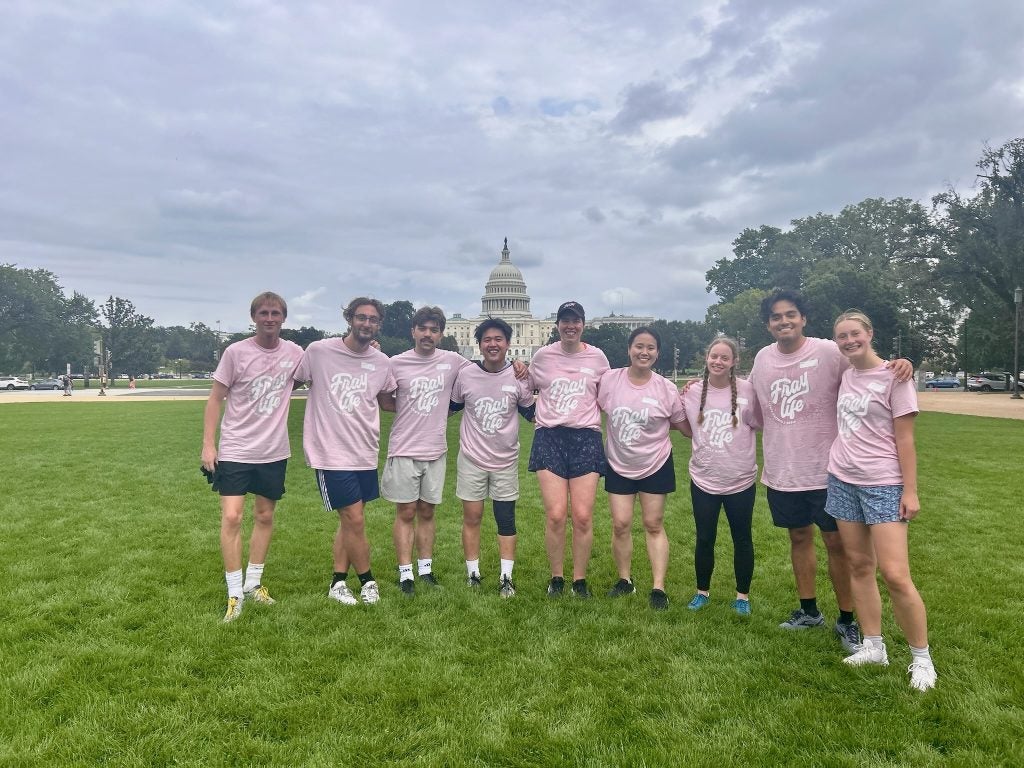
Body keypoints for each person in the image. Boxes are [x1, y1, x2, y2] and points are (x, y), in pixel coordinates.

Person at [748, 288, 912, 651]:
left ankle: (848, 619)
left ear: (803, 318)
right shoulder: (762, 359)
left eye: (790, 314)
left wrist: (898, 364)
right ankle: (808, 611)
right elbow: (755, 407)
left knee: (838, 544)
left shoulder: (828, 351)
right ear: (768, 325)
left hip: (831, 470)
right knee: (798, 538)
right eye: (776, 317)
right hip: (782, 468)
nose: (784, 321)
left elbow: (866, 365)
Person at [827, 310, 936, 691]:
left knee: (895, 574)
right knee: (858, 564)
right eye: (842, 336)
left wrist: (910, 490)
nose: (848, 340)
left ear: (869, 333)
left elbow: (905, 439)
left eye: (854, 333)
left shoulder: (896, 376)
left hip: (884, 483)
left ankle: (921, 658)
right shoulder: (844, 374)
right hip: (842, 478)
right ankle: (873, 645)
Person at [201, 292, 304, 622]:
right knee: (231, 517)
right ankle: (234, 592)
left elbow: (320, 371)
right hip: (236, 449)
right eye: (263, 312)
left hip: (273, 451)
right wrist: (208, 445)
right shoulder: (236, 352)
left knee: (264, 516)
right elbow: (216, 399)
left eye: (275, 313)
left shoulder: (295, 354)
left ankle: (253, 584)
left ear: (283, 318)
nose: (269, 318)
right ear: (254, 317)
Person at [295, 297, 395, 606]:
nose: (367, 323)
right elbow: (290, 382)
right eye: (361, 317)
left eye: (373, 319)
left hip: (364, 450)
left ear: (379, 324)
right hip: (330, 451)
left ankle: (338, 583)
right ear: (349, 319)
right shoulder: (319, 352)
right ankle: (368, 581)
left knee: (350, 520)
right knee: (354, 518)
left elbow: (388, 402)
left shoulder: (382, 362)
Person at [380, 306, 472, 596]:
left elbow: (486, 372)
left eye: (434, 330)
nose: (428, 334)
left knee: (428, 511)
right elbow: (384, 399)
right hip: (405, 446)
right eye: (423, 329)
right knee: (406, 511)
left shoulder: (453, 361)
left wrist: (517, 366)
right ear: (414, 331)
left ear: (441, 334)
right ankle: (405, 573)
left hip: (435, 448)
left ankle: (426, 569)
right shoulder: (396, 363)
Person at [597, 327, 685, 610]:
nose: (643, 352)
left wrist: (699, 394)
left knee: (653, 524)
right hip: (618, 462)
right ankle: (625, 580)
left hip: (655, 462)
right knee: (620, 524)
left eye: (650, 348)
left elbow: (683, 425)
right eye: (638, 346)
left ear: (657, 353)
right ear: (629, 349)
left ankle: (658, 587)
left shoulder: (665, 388)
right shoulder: (610, 381)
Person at [528, 301, 610, 599]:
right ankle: (557, 577)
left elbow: (611, 392)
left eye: (575, 321)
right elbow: (526, 387)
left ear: (583, 325)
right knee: (556, 515)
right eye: (565, 321)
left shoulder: (598, 358)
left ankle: (579, 579)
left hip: (585, 437)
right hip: (550, 437)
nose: (570, 326)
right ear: (558, 324)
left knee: (583, 515)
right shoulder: (543, 356)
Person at [449, 318, 536, 598]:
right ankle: (472, 573)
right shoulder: (466, 375)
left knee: (506, 520)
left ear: (508, 344)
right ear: (480, 344)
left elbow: (532, 413)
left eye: (499, 339)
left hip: (505, 460)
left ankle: (506, 577)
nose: (493, 344)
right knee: (472, 517)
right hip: (472, 457)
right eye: (487, 339)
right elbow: (449, 407)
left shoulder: (519, 376)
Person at [678, 336, 761, 616]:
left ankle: (742, 597)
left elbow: (758, 423)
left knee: (743, 539)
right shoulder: (692, 392)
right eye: (714, 356)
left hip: (740, 479)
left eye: (725, 357)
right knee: (704, 538)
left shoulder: (749, 391)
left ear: (734, 362)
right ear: (707, 358)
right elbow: (686, 427)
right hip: (704, 479)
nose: (718, 361)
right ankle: (702, 592)